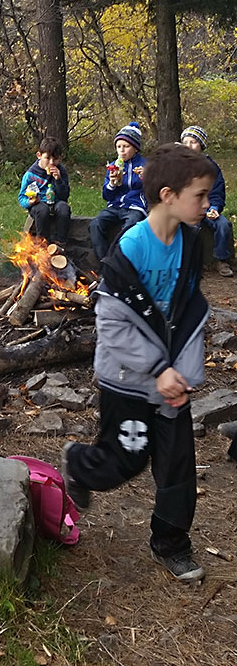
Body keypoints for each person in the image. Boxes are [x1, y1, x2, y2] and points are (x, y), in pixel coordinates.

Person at [63, 143, 215, 583]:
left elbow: (188, 312)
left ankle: (171, 544)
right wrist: (157, 369)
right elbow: (113, 324)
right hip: (127, 378)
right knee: (125, 460)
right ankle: (78, 465)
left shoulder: (190, 243)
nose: (206, 204)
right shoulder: (130, 249)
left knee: (177, 465)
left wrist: (182, 373)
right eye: (200, 195)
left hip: (171, 381)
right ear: (168, 195)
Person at [89, 121, 147, 262]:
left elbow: (154, 190)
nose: (122, 150)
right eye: (119, 146)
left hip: (135, 207)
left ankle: (119, 261)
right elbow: (106, 196)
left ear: (136, 148)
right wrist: (112, 183)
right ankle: (104, 261)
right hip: (115, 206)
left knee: (130, 227)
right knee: (95, 224)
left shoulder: (145, 165)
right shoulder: (113, 166)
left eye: (126, 146)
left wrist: (147, 178)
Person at [180, 124, 233, 278]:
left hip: (207, 207)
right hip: (188, 209)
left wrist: (214, 207)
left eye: (193, 142)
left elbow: (217, 191)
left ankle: (221, 259)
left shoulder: (211, 167)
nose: (189, 146)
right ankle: (189, 262)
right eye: (185, 142)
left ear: (201, 145)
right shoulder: (179, 166)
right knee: (188, 228)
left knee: (223, 225)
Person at [17, 135, 71, 245]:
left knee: (64, 208)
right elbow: (21, 198)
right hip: (38, 204)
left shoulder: (61, 171)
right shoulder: (30, 175)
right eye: (47, 158)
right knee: (42, 210)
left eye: (55, 159)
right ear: (39, 155)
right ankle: (43, 243)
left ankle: (60, 241)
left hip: (56, 202)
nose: (51, 163)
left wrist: (58, 180)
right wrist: (29, 202)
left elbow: (64, 196)